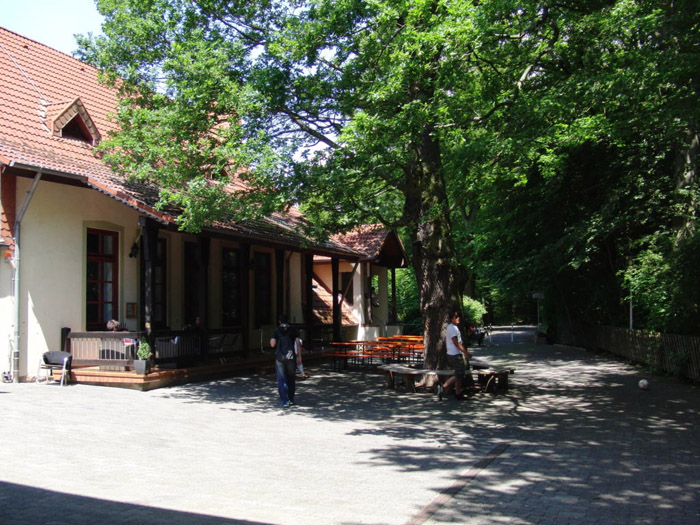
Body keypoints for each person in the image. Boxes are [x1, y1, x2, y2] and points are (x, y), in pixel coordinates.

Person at [437, 311, 472, 401]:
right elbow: (455, 342)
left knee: (459, 374)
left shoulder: (453, 327)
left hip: (455, 353)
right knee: (459, 374)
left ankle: (458, 393)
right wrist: (465, 352)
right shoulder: (452, 328)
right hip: (454, 354)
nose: (458, 318)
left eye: (458, 317)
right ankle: (443, 387)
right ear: (452, 318)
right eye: (456, 317)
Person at [270, 315, 301, 408]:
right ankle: (291, 399)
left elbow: (272, 344)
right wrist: (299, 357)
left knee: (281, 378)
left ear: (279, 321)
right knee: (291, 378)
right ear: (288, 320)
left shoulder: (276, 330)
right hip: (291, 357)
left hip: (280, 357)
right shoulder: (293, 330)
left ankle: (284, 401)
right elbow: (298, 343)